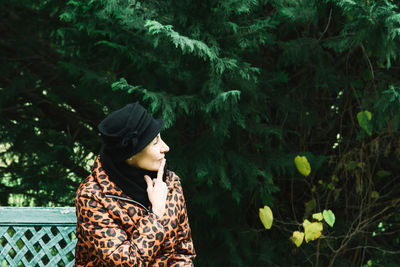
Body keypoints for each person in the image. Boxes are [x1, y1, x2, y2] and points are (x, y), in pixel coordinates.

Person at [74, 102, 196, 266]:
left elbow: (183, 252)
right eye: (155, 142)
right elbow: (127, 263)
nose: (165, 147)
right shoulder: (92, 196)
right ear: (130, 155)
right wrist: (156, 215)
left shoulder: (169, 182)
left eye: (161, 138)